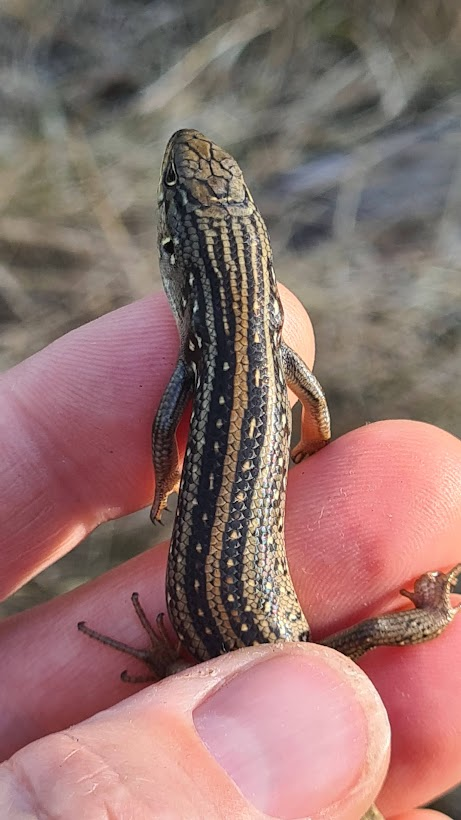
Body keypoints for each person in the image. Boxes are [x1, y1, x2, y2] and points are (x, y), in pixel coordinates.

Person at [1, 288, 460, 819]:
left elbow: (161, 427)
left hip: (231, 640)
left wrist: (166, 477)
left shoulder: (203, 350)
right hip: (237, 643)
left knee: (320, 653)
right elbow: (311, 397)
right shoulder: (272, 344)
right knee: (345, 645)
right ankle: (433, 615)